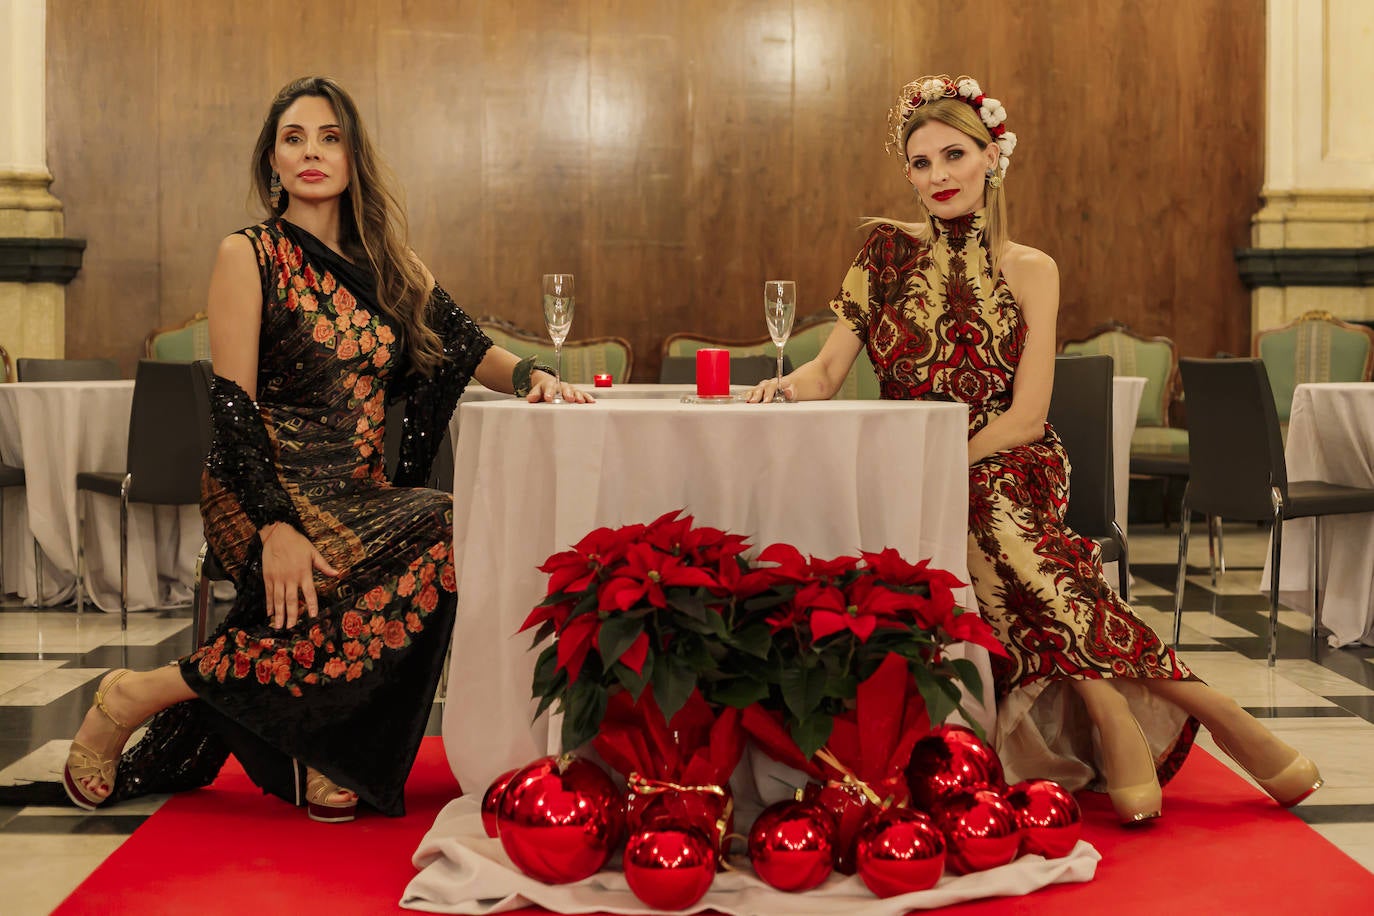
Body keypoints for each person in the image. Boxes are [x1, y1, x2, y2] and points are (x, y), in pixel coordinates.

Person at [747, 73, 1322, 824]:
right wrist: (776, 388)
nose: (937, 177)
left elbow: (1027, 416)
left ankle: (1151, 710)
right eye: (920, 164)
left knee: (988, 513)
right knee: (996, 536)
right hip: (924, 466)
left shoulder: (1032, 267)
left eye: (953, 155)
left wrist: (945, 466)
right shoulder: (882, 255)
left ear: (993, 157)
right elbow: (826, 372)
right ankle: (1149, 706)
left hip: (1016, 460)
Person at [60, 76, 591, 822]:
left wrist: (537, 375)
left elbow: (468, 346)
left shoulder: (391, 266)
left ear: (352, 158)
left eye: (329, 137)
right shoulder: (249, 254)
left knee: (452, 531)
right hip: (260, 484)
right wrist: (276, 524)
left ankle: (154, 693)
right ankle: (294, 738)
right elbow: (234, 405)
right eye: (294, 138)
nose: (312, 152)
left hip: (356, 490)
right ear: (272, 162)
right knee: (402, 545)